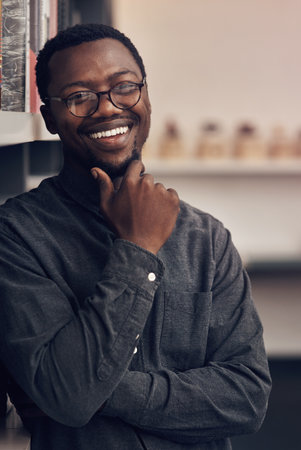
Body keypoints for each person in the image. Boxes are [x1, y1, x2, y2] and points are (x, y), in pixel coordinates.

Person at [0, 23, 271, 449]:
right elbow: (70, 400)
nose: (107, 109)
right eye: (78, 97)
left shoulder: (208, 239)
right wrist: (138, 249)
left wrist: (94, 391)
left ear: (145, 97)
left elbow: (246, 399)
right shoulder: (16, 236)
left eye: (124, 87)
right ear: (50, 117)